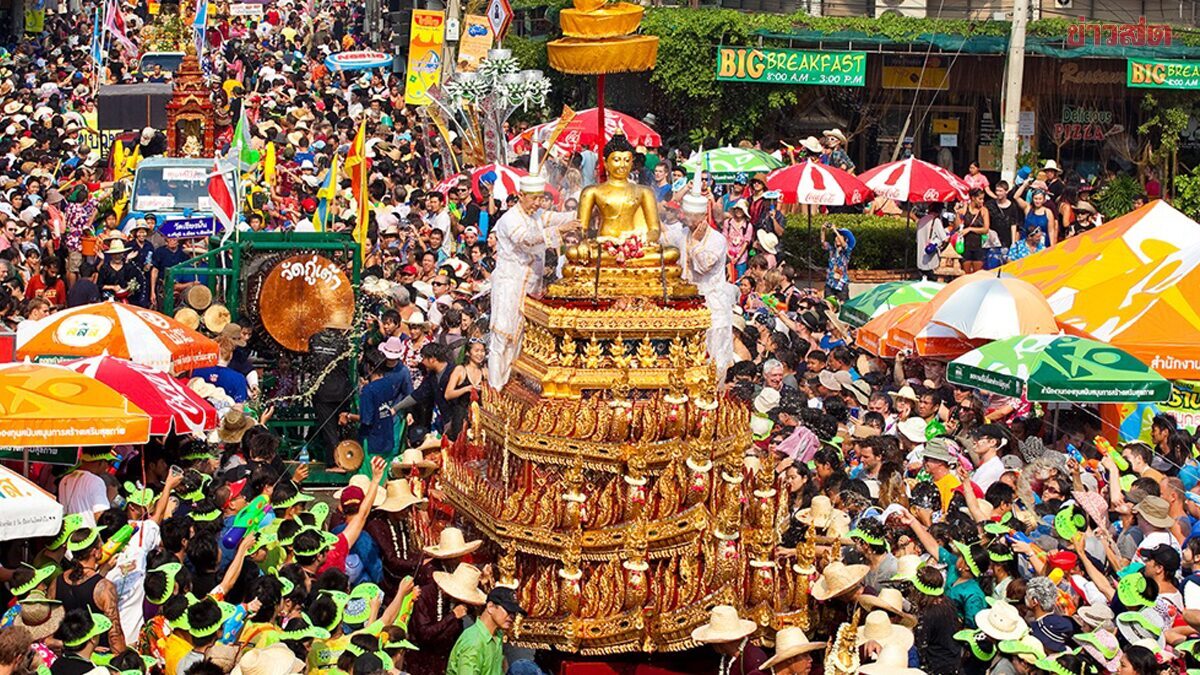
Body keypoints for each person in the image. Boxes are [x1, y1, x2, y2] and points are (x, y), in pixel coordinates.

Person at [486, 154, 576, 387]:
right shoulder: (509, 219)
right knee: (503, 335)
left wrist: (584, 212)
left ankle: (513, 385)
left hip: (530, 286)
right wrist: (561, 231)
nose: (538, 204)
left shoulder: (535, 214)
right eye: (534, 199)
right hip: (509, 284)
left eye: (541, 199)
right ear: (521, 196)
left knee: (523, 337)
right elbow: (527, 240)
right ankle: (497, 387)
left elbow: (556, 217)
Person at [445, 586, 525, 675]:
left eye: (514, 613)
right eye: (508, 610)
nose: (512, 616)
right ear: (490, 607)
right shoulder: (474, 642)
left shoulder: (497, 634)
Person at [959, 188, 990, 274]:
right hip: (965, 245)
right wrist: (958, 214)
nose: (982, 201)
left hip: (978, 246)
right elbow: (958, 227)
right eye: (980, 199)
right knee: (966, 273)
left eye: (983, 199)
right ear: (973, 198)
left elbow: (986, 229)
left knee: (977, 274)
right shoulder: (965, 209)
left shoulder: (984, 211)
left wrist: (970, 229)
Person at [821, 223, 854, 303]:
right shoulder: (832, 250)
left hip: (841, 284)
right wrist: (823, 230)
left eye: (840, 237)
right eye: (836, 237)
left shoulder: (846, 252)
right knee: (827, 304)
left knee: (843, 304)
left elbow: (844, 245)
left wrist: (835, 230)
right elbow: (823, 243)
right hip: (830, 282)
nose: (837, 238)